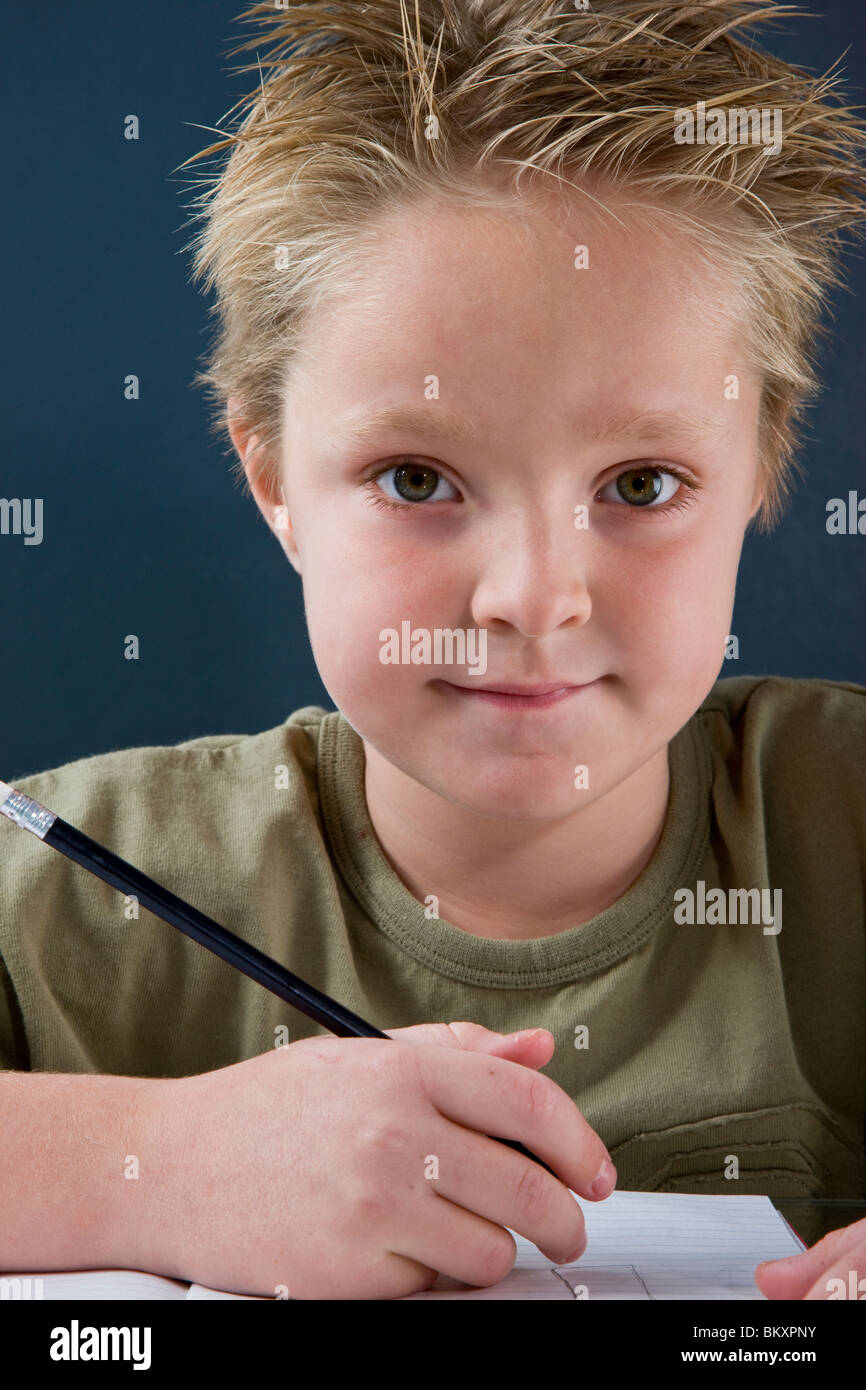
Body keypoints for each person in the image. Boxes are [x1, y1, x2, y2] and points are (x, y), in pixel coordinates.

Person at [2, 0, 865, 1300]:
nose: (532, 597)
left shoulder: (838, 815)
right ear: (271, 481)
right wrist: (163, 1158)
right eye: (417, 477)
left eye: (638, 485)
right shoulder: (77, 885)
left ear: (759, 474)